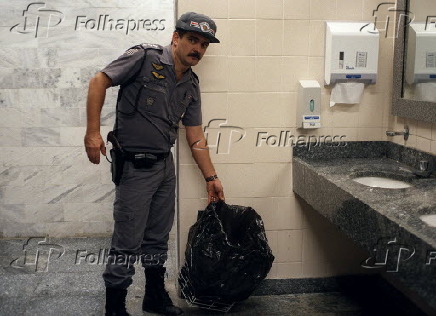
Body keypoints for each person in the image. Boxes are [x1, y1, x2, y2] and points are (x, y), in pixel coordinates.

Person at [84, 12, 225, 316]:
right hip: (134, 168)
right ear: (176, 38)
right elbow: (99, 81)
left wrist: (211, 176)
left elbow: (196, 136)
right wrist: (92, 132)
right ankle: (115, 307)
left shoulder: (191, 84)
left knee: (158, 238)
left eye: (203, 44)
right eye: (192, 40)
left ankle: (154, 297)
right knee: (127, 241)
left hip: (164, 167)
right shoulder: (144, 57)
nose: (197, 49)